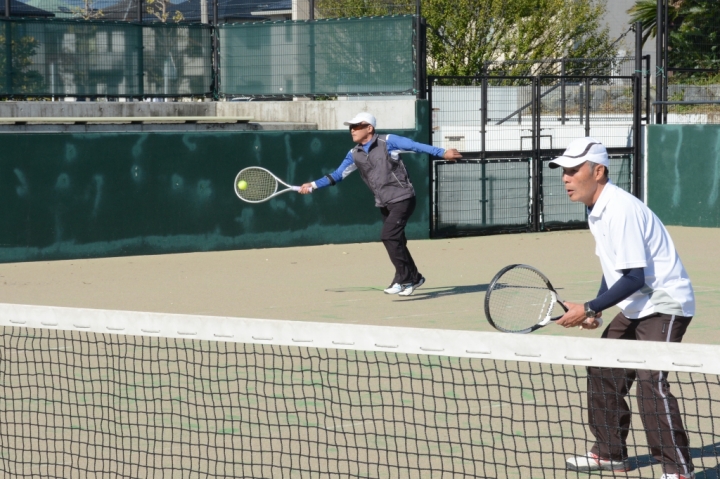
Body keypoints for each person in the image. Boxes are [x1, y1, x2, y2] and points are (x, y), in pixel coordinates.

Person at [551, 137, 696, 479]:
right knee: (603, 369)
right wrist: (596, 310)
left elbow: (634, 277)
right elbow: (614, 270)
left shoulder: (620, 209)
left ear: (598, 171)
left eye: (573, 170)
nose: (566, 178)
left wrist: (588, 307)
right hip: (637, 304)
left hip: (665, 303)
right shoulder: (596, 210)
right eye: (564, 171)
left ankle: (678, 470)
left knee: (650, 382)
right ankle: (609, 452)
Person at [298, 112, 462, 296]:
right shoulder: (354, 153)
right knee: (397, 240)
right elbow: (338, 175)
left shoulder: (388, 141)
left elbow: (416, 146)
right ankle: (412, 277)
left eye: (356, 126)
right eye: (351, 127)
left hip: (402, 198)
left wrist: (442, 152)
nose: (352, 130)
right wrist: (313, 185)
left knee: (388, 236)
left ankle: (405, 278)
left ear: (369, 128)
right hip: (383, 202)